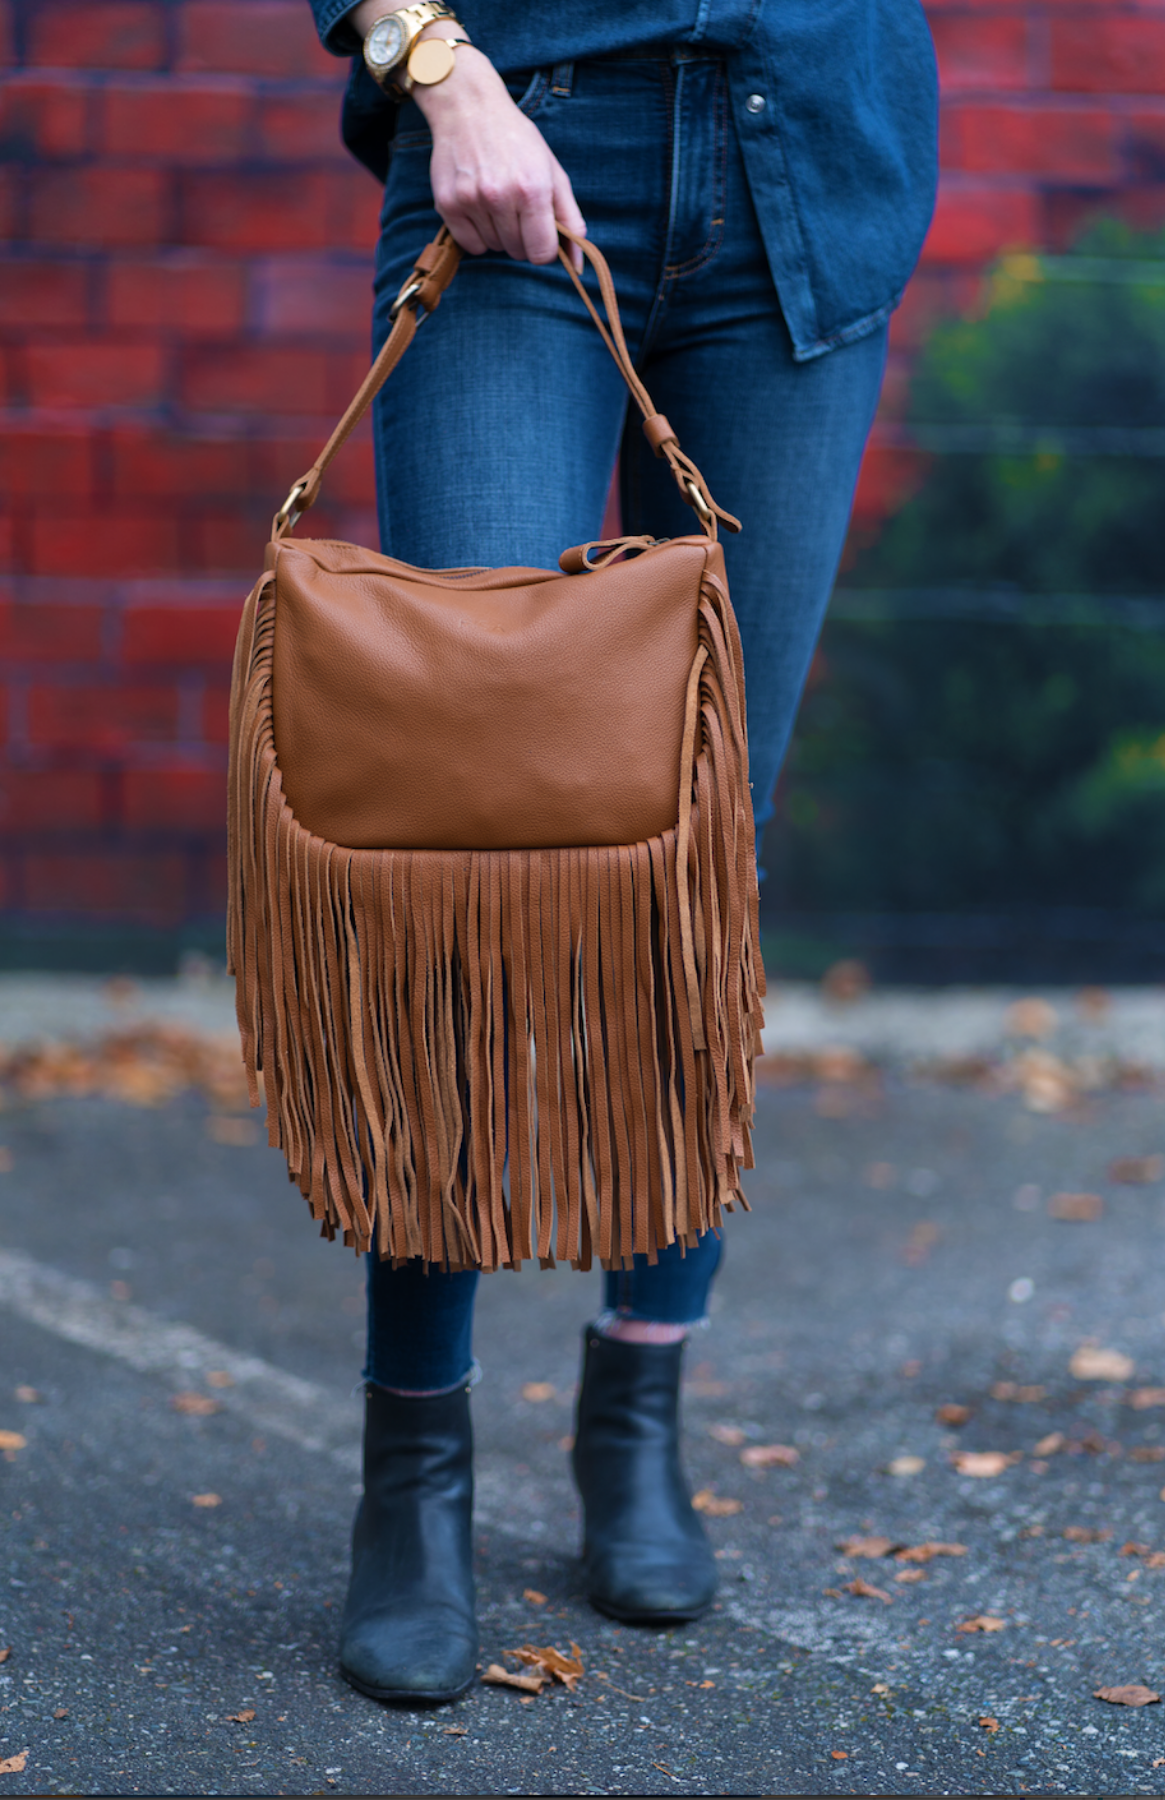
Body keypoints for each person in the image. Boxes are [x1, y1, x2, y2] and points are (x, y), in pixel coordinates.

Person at [301, 0, 938, 1704]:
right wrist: (442, 68)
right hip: (514, 142)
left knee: (704, 839)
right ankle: (413, 1470)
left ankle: (637, 1405)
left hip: (807, 160)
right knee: (467, 839)